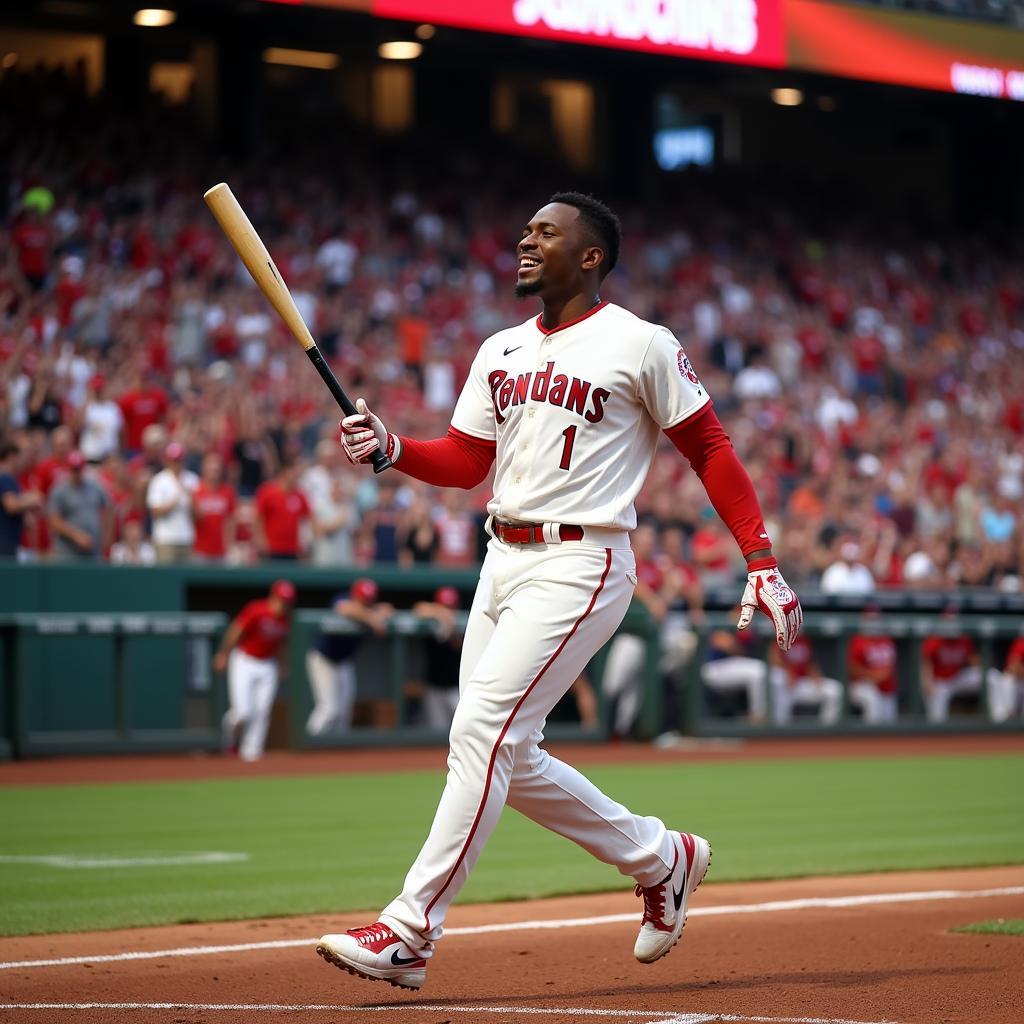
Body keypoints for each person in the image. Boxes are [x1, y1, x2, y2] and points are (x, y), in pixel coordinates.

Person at [321, 192, 801, 988]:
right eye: (526, 229)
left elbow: (709, 446)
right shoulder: (499, 348)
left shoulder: (640, 342)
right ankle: (662, 857)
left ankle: (409, 932)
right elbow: (468, 460)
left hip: (583, 562)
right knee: (503, 748)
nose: (525, 239)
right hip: (501, 559)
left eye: (546, 232)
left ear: (591, 257)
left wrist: (761, 559)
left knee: (482, 730)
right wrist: (395, 448)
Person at [213, 579, 296, 762]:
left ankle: (252, 752)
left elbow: (281, 643)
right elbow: (235, 631)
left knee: (263, 711)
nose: (284, 605)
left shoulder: (286, 618)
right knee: (243, 712)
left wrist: (282, 664)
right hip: (245, 660)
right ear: (273, 597)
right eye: (282, 600)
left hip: (268, 665)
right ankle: (229, 739)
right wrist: (223, 654)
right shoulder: (256, 609)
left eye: (287, 601)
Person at [305, 578, 394, 736]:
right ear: (355, 595)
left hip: (344, 662)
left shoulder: (371, 608)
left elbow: (388, 609)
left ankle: (337, 754)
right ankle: (309, 741)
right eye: (362, 599)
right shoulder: (342, 598)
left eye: (368, 600)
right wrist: (371, 618)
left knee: (345, 712)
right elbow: (345, 609)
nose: (365, 602)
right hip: (324, 659)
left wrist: (375, 613)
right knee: (329, 709)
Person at [410, 586, 464, 731]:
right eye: (444, 606)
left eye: (451, 606)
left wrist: (452, 631)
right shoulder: (431, 619)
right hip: (434, 688)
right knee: (436, 731)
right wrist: (442, 614)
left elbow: (459, 647)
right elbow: (419, 608)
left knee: (463, 729)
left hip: (457, 688)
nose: (448, 610)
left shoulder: (464, 621)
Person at [700, 614, 769, 721]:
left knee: (761, 670)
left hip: (726, 667)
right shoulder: (721, 622)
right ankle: (757, 717)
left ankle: (761, 715)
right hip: (709, 668)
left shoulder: (746, 629)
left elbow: (737, 649)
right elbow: (723, 643)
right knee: (757, 672)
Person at [920, 607, 984, 722]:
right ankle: (937, 737)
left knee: (991, 677)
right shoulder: (935, 639)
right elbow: (926, 662)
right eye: (949, 621)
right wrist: (927, 682)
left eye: (954, 621)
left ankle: (1000, 718)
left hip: (958, 679)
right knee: (936, 719)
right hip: (940, 682)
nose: (952, 624)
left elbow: (973, 659)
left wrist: (981, 668)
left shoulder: (963, 638)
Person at [47, 450, 112, 561]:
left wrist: (107, 538)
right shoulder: (59, 490)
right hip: (67, 553)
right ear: (68, 469)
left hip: (92, 551)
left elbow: (109, 508)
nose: (77, 473)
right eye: (74, 469)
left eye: (79, 469)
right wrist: (76, 536)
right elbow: (54, 521)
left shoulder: (95, 486)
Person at [768, 635, 843, 726]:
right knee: (778, 677)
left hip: (802, 683)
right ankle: (780, 726)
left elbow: (811, 663)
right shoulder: (781, 635)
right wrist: (787, 671)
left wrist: (815, 676)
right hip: (786, 683)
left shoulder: (805, 639)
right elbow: (773, 658)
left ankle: (825, 728)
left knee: (834, 689)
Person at [146, 442, 199, 563]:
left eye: (179, 460)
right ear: (167, 461)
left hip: (187, 538)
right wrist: (175, 499)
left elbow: (197, 516)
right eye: (174, 460)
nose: (177, 464)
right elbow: (155, 513)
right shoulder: (159, 480)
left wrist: (191, 499)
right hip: (165, 539)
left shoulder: (192, 480)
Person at [847, 607, 899, 723]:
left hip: (886, 687)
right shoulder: (858, 640)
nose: (873, 623)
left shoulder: (886, 639)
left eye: (875, 619)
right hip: (862, 684)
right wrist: (871, 675)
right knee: (873, 701)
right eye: (870, 620)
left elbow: (891, 665)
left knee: (890, 722)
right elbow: (851, 667)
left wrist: (883, 674)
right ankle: (868, 739)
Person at [254, 461, 311, 561]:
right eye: (292, 473)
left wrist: (305, 543)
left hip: (293, 549)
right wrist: (261, 541)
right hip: (272, 548)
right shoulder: (267, 492)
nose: (295, 476)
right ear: (283, 474)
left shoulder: (300, 495)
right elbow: (258, 519)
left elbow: (307, 519)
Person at [0, 440, 43, 559]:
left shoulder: (11, 479)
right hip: (4, 545)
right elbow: (11, 505)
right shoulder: (5, 477)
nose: (22, 461)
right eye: (20, 457)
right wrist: (32, 500)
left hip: (9, 544)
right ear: (11, 457)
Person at [192, 451, 237, 562]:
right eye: (210, 465)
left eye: (217, 466)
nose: (214, 468)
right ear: (203, 468)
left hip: (221, 550)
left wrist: (229, 545)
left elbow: (231, 520)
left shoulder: (228, 492)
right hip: (199, 549)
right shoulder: (196, 490)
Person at [988, 636, 1024, 722]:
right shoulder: (1021, 642)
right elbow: (1013, 667)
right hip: (1018, 681)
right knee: (1006, 680)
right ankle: (1004, 719)